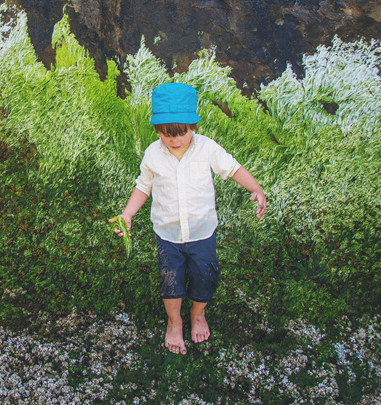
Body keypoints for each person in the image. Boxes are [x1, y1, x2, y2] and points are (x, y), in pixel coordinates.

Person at [111, 83, 267, 355]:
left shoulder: (207, 148)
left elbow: (232, 168)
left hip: (202, 231)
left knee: (203, 275)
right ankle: (174, 322)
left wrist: (255, 188)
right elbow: (143, 186)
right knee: (170, 278)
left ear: (192, 126)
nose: (174, 140)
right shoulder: (152, 154)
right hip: (167, 233)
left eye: (180, 132)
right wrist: (128, 213)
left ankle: (197, 314)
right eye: (166, 134)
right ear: (157, 130)